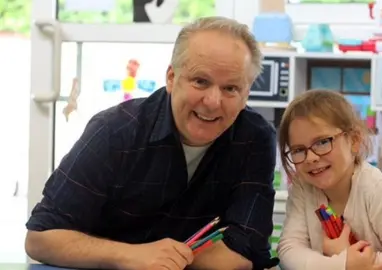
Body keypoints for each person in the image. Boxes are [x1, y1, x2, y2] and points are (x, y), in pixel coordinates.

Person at [25, 16, 279, 270]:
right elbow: (41, 237)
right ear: (171, 77)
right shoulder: (114, 131)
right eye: (200, 81)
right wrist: (131, 256)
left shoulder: (255, 138)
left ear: (246, 95)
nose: (213, 101)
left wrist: (167, 261)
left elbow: (247, 248)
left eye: (231, 89)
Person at [276, 90, 382, 270]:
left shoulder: (379, 191)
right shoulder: (303, 187)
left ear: (354, 140)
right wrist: (343, 264)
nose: (310, 157)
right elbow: (288, 249)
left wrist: (358, 264)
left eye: (322, 142)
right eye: (298, 150)